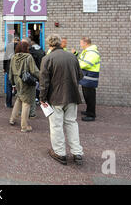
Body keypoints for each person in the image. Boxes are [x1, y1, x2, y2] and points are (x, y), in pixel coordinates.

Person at [39, 34, 84, 166]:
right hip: (72, 95)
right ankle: (77, 152)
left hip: (55, 98)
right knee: (72, 123)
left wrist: (42, 98)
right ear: (60, 43)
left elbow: (44, 82)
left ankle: (60, 153)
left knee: (56, 125)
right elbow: (80, 75)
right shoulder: (72, 57)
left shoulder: (47, 58)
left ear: (49, 44)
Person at [8, 41, 39, 133]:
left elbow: (10, 71)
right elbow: (34, 71)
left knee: (19, 99)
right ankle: (24, 126)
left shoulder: (13, 57)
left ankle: (12, 119)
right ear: (26, 48)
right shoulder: (28, 57)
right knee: (26, 103)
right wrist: (42, 77)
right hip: (26, 82)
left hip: (17, 82)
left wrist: (13, 82)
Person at [74, 37, 101, 122]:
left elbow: (85, 64)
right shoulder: (87, 51)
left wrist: (75, 65)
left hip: (90, 78)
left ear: (85, 43)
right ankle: (88, 111)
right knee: (87, 96)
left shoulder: (92, 52)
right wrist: (75, 54)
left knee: (90, 97)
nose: (80, 45)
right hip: (86, 78)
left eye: (81, 43)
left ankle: (91, 114)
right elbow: (81, 60)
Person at [3, 34, 18, 108]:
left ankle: (8, 104)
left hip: (9, 69)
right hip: (18, 70)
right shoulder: (20, 46)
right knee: (19, 87)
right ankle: (19, 106)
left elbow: (5, 58)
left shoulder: (8, 46)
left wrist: (4, 68)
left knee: (9, 87)